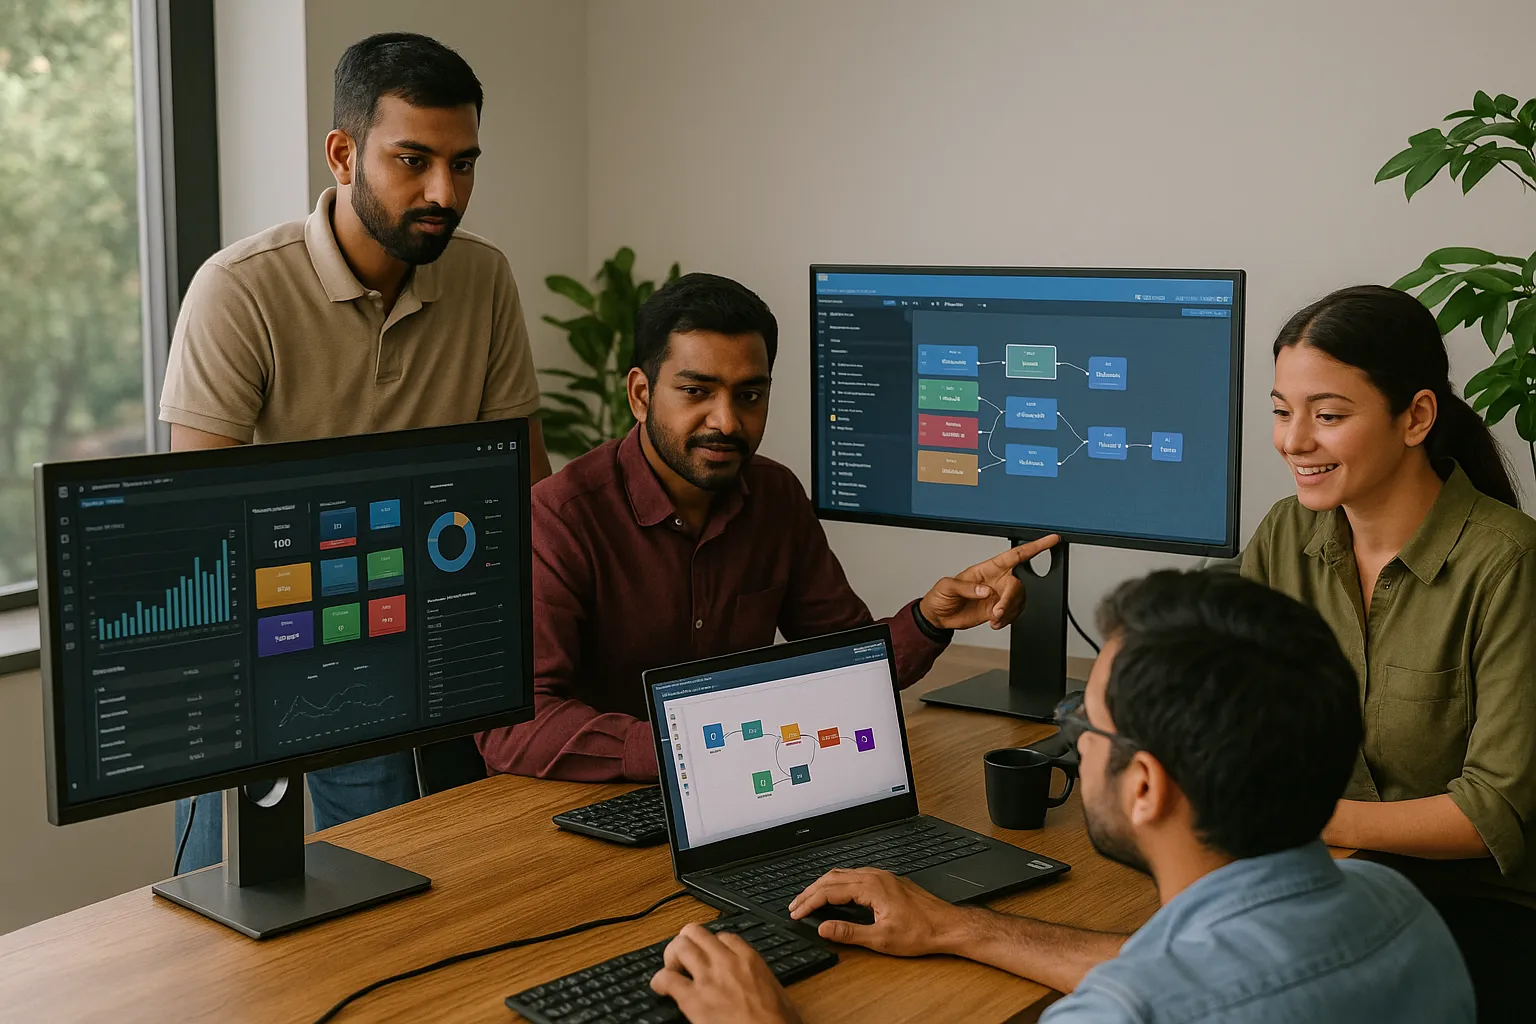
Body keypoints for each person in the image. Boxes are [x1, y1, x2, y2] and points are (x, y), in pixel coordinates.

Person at [649, 570, 1474, 1023]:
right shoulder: (1395, 907)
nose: (1076, 739)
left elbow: (1157, 993)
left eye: (1090, 719)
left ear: (1145, 784)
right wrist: (960, 926)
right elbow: (1186, 970)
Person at [158, 32, 551, 872]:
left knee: (420, 908)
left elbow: (523, 494)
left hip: (428, 659)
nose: (445, 191)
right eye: (413, 160)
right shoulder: (240, 291)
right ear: (342, 153)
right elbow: (197, 534)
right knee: (227, 944)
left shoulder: (483, 280)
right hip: (269, 664)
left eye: (465, 163)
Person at [476, 273, 1058, 780]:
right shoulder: (558, 518)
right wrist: (683, 751)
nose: (727, 421)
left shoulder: (775, 495)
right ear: (640, 394)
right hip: (588, 809)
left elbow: (842, 664)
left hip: (747, 788)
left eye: (749, 395)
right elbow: (514, 723)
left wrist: (930, 619)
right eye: (696, 392)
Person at [1242, 285, 1536, 1019]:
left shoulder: (1509, 563)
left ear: (1417, 417)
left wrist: (1309, 820)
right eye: (1282, 411)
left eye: (1328, 415)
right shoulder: (1285, 534)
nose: (1293, 441)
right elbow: (1226, 705)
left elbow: (1491, 809)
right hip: (1329, 881)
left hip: (1484, 911)